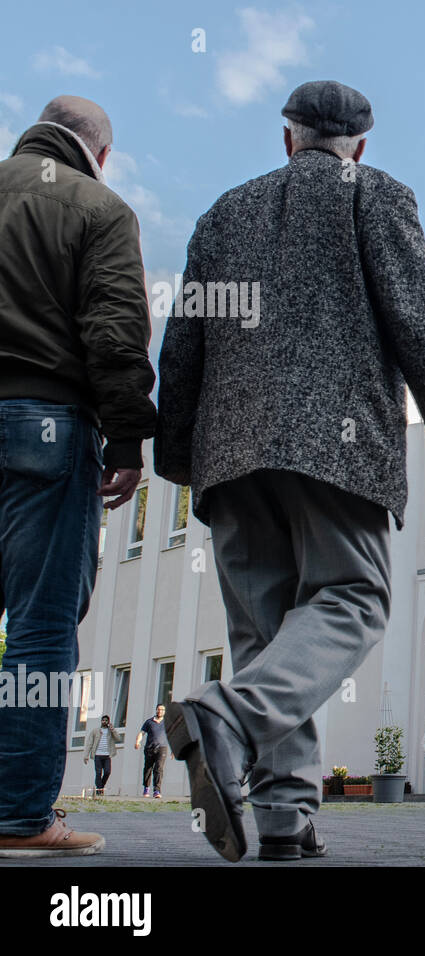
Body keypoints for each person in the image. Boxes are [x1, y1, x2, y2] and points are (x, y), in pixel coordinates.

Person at [155, 80, 425, 863]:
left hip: (230, 455)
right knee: (354, 597)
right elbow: (415, 322)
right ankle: (228, 718)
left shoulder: (222, 214)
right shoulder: (377, 195)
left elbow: (184, 341)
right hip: (338, 444)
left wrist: (175, 453)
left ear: (287, 137)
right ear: (359, 146)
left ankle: (283, 816)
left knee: (270, 638)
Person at [0, 95, 156, 859]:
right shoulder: (98, 206)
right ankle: (22, 816)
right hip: (46, 426)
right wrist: (127, 440)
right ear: (100, 151)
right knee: (38, 626)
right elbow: (116, 330)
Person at [83, 715, 122, 795]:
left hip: (107, 755)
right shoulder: (95, 731)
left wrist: (113, 730)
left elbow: (118, 739)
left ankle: (100, 786)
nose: (104, 722)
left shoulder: (111, 731)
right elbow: (89, 743)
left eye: (106, 720)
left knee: (107, 772)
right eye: (103, 720)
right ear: (101, 721)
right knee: (98, 772)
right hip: (97, 755)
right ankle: (99, 790)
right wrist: (86, 755)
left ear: (108, 722)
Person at [136, 704, 169, 797]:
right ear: (156, 710)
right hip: (149, 748)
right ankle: (146, 788)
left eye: (162, 710)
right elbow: (142, 733)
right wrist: (137, 742)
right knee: (148, 768)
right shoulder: (149, 722)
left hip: (162, 748)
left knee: (159, 768)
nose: (160, 711)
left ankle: (157, 790)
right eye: (159, 709)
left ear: (164, 711)